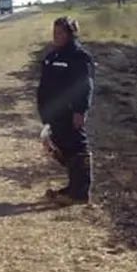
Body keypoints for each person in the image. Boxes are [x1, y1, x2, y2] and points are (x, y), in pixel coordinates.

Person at [37, 16, 95, 205]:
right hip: (54, 113)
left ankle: (80, 192)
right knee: (62, 147)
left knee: (78, 147)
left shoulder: (79, 57)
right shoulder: (52, 56)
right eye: (54, 32)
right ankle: (73, 187)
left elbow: (84, 86)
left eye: (60, 32)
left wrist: (80, 111)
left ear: (71, 34)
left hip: (70, 112)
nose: (56, 36)